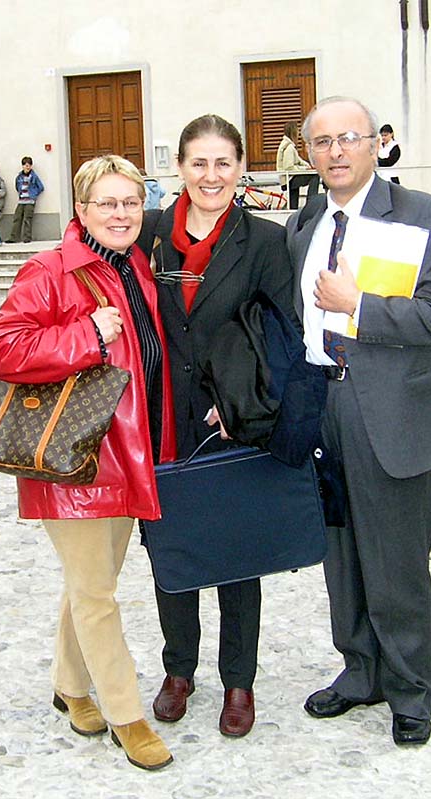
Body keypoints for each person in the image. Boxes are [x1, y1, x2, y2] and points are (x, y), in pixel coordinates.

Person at [0, 155, 177, 771]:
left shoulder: (136, 264)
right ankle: (127, 716)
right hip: (77, 460)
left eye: (131, 203)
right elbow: (3, 349)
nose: (121, 214)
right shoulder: (50, 270)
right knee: (97, 593)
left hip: (129, 454)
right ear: (82, 209)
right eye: (107, 203)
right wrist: (87, 335)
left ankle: (69, 685)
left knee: (92, 583)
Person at [286, 96, 431, 747]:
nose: (335, 151)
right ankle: (361, 671)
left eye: (349, 138)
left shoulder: (418, 212)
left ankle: (411, 690)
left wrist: (357, 305)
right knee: (341, 553)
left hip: (387, 411)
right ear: (309, 153)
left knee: (396, 558)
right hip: (322, 407)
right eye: (322, 141)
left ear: (376, 143)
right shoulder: (305, 220)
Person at [138, 114, 294, 738]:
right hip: (161, 419)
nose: (211, 175)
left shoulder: (264, 241)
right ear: (179, 167)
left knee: (236, 550)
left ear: (240, 168)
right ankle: (179, 669)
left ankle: (238, 680)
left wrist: (241, 403)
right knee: (171, 545)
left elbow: (282, 332)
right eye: (198, 163)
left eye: (223, 163)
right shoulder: (147, 234)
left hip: (232, 420)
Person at [275, 122, 315, 209]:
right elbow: (289, 167)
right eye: (297, 131)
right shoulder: (289, 147)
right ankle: (311, 201)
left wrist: (308, 166)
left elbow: (298, 160)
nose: (298, 134)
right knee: (314, 175)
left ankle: (295, 208)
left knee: (293, 205)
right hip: (289, 179)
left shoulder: (288, 145)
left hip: (289, 178)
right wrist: (305, 169)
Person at [6, 156, 44, 243]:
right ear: (22, 166)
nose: (27, 167)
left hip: (30, 201)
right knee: (17, 218)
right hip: (21, 200)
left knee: (27, 219)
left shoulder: (34, 176)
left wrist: (33, 194)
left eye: (29, 165)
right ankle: (14, 238)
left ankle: (27, 238)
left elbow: (41, 187)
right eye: (26, 165)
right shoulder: (19, 176)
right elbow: (17, 186)